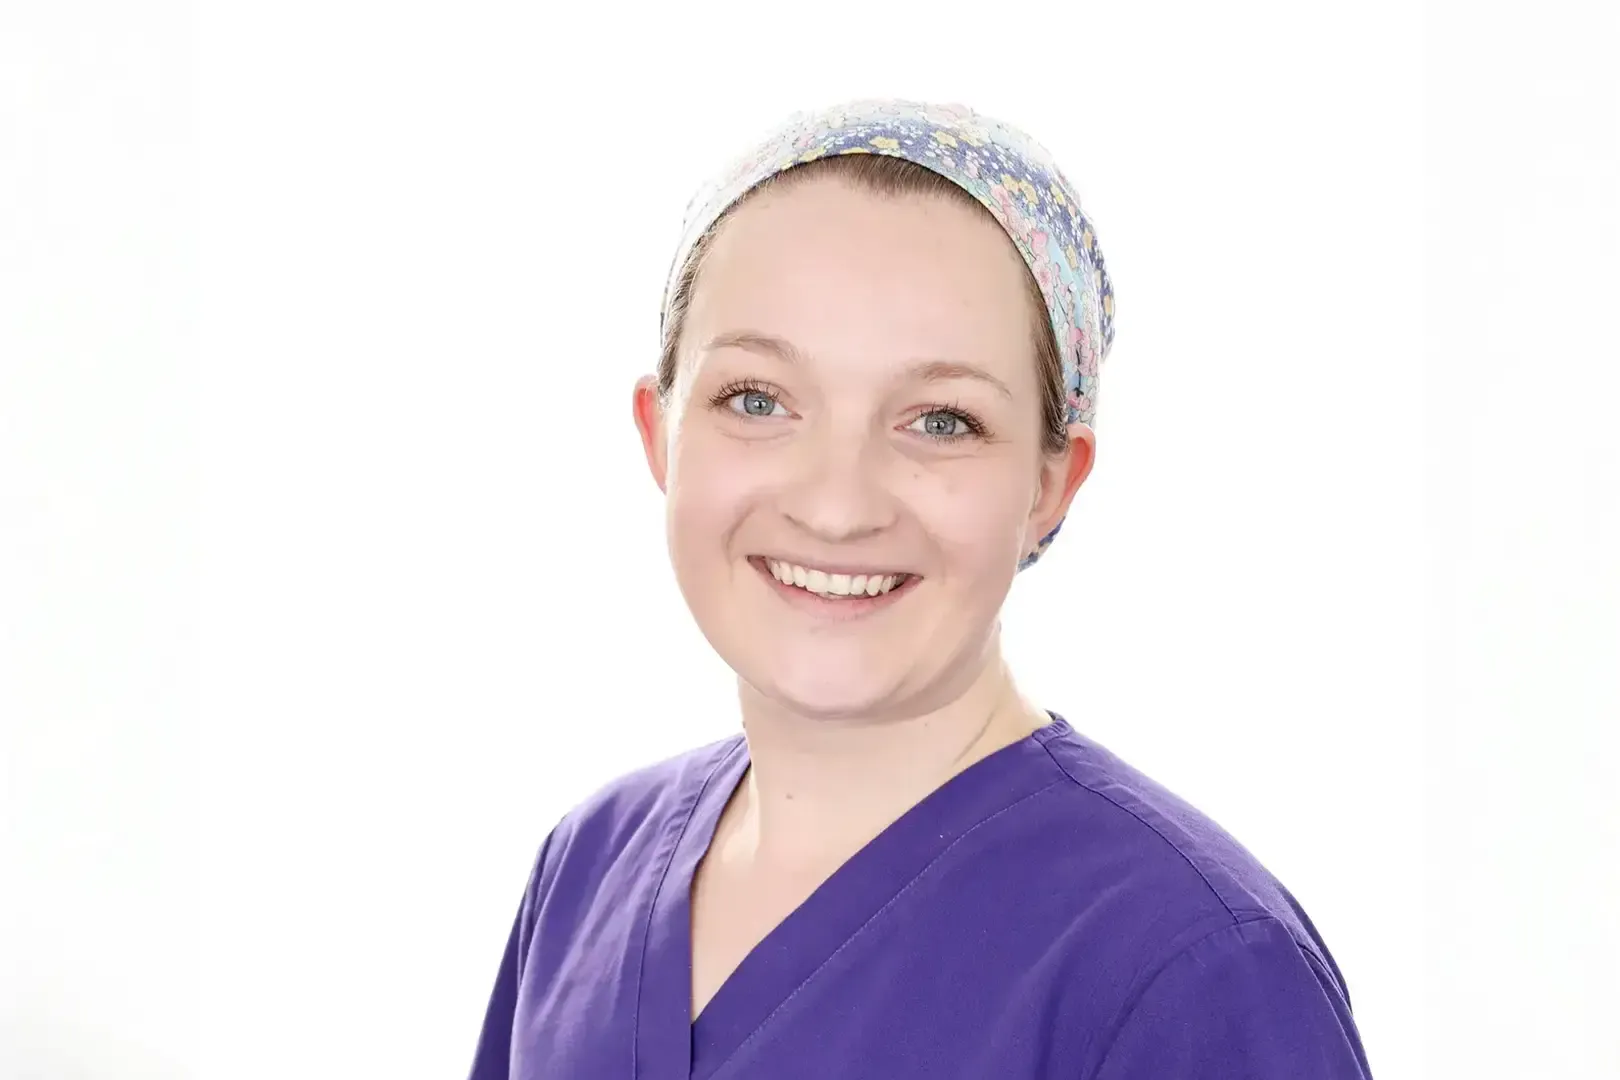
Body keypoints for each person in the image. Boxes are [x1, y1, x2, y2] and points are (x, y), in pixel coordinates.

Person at [466, 99, 1374, 1079]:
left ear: (1051, 485)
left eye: (941, 421)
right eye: (757, 400)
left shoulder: (1189, 971)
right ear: (661, 434)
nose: (837, 505)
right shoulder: (587, 874)